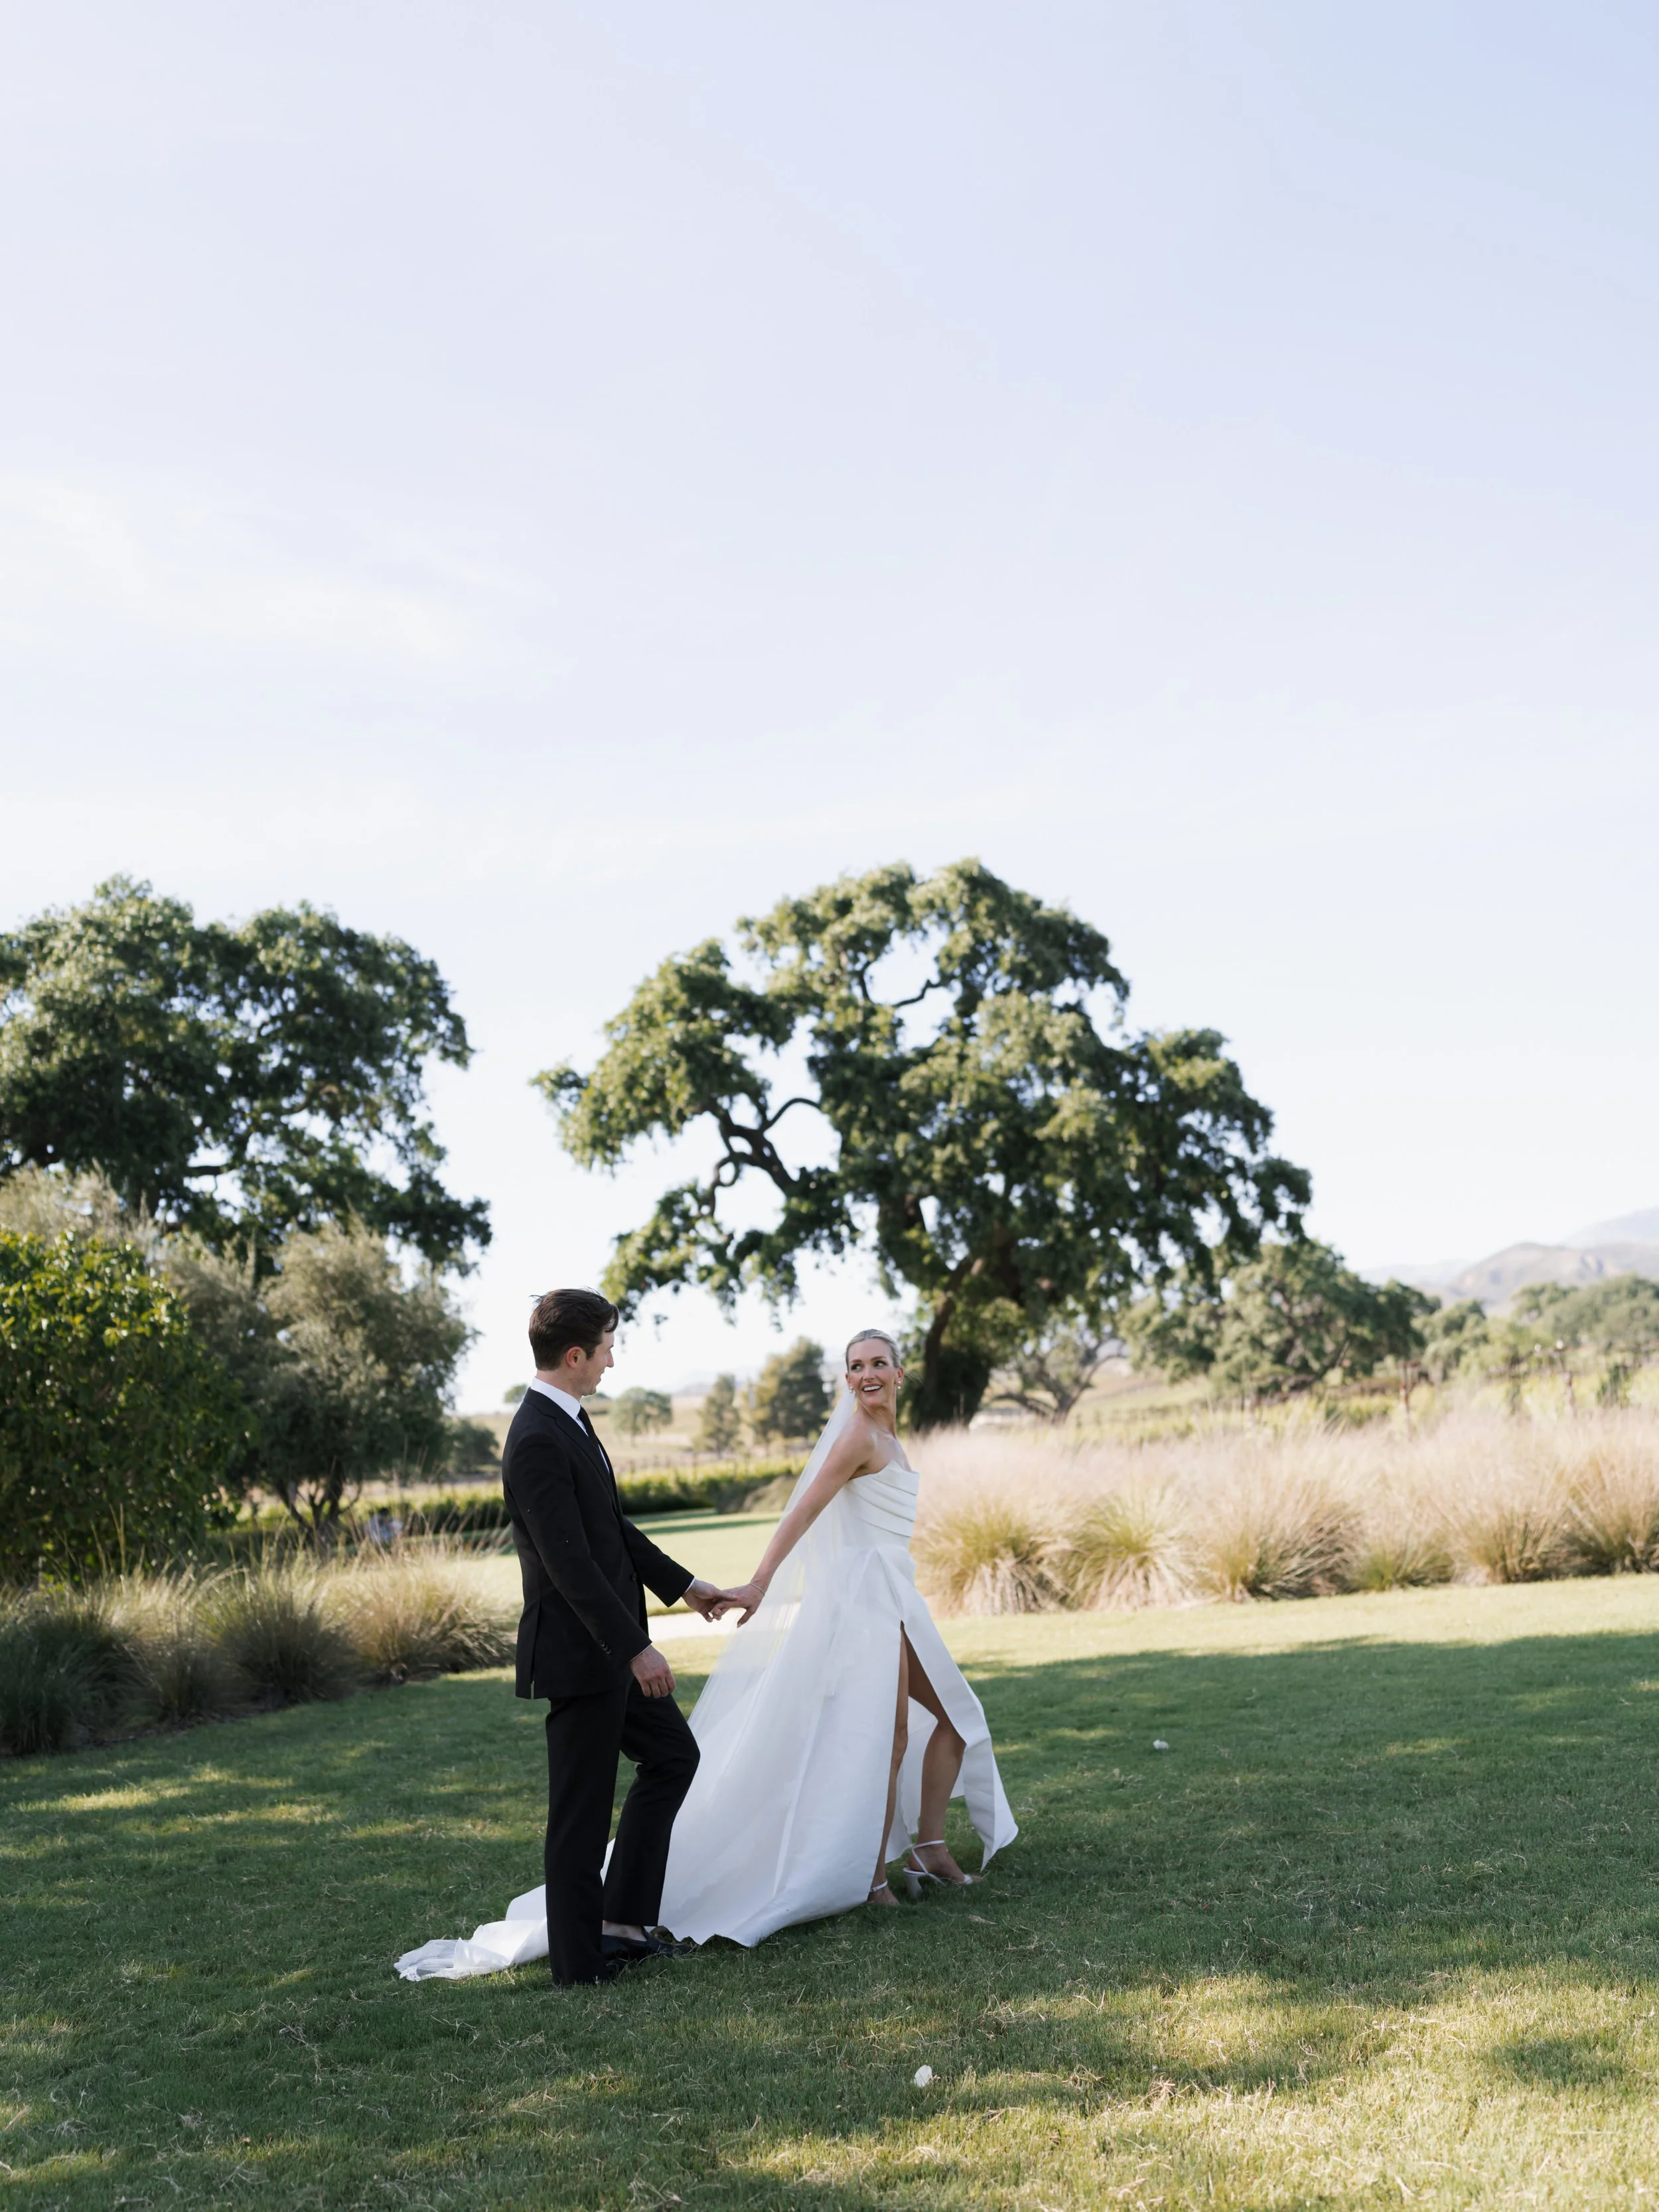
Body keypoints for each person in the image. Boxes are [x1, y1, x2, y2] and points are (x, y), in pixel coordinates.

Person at [396, 1288, 726, 1987]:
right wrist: (635, 1648)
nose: (613, 1359)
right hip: (582, 1657)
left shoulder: (569, 1422)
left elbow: (609, 1531)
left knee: (672, 1758)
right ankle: (580, 1970)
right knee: (578, 1816)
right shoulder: (537, 1436)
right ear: (575, 1355)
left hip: (611, 1653)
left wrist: (685, 1586)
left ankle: (621, 1921)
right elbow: (567, 1564)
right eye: (607, 1345)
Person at [652, 1329, 1016, 1945]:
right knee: (891, 1736)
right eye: (855, 1366)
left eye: (878, 1363)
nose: (867, 1373)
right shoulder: (854, 1436)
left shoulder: (889, 1438)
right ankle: (873, 1875)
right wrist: (761, 1585)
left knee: (951, 1720)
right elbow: (802, 1512)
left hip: (894, 1595)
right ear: (846, 1380)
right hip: (864, 1601)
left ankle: (927, 1849)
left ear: (900, 1373)